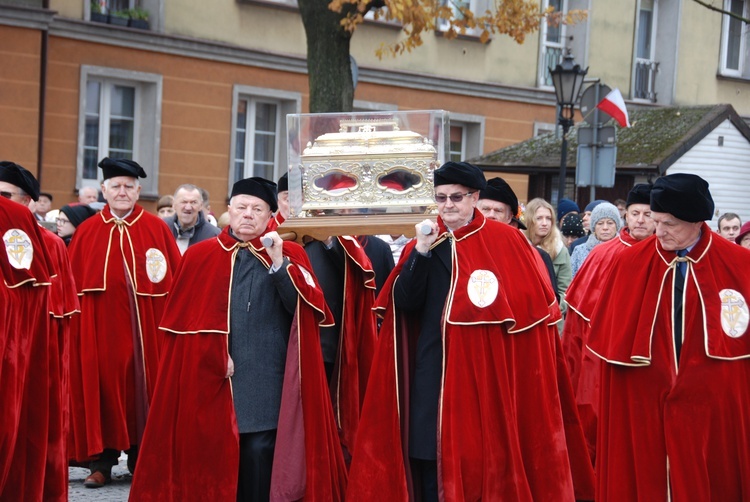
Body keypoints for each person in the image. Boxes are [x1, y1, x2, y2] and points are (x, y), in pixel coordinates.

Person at [347, 161, 594, 501]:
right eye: (441, 197)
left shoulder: (507, 241)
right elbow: (402, 301)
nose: (448, 205)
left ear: (474, 198)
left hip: (486, 380)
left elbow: (529, 315)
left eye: (456, 198)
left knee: (483, 466)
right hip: (433, 375)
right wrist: (420, 251)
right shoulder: (425, 242)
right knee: (430, 467)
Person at [128, 177, 347, 501]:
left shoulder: (290, 253)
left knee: (259, 453)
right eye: (241, 207)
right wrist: (212, 351)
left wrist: (278, 264)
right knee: (214, 456)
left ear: (270, 214)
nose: (248, 214)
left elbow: (306, 310)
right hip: (213, 378)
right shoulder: (200, 256)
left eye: (257, 209)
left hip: (267, 376)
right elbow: (182, 327)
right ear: (228, 209)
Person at [587, 173, 750, 500]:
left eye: (670, 224)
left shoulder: (740, 265)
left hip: (713, 408)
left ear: (698, 222)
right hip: (644, 405)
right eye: (656, 220)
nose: (658, 231)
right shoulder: (629, 262)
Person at [67, 157, 181, 488]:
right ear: (104, 190)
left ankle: (141, 459)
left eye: (128, 187)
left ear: (139, 191)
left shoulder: (157, 227)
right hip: (100, 333)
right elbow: (72, 287)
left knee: (144, 389)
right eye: (115, 186)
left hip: (147, 330)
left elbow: (175, 278)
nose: (122, 192)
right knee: (102, 390)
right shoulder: (87, 231)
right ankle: (101, 462)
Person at [0, 161, 79, 501]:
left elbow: (60, 312)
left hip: (35, 353)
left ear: (27, 201)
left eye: (5, 195)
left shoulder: (50, 243)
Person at [561, 183, 655, 463]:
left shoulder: (668, 256)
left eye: (648, 214)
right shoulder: (603, 254)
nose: (640, 220)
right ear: (626, 216)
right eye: (635, 213)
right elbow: (579, 323)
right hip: (603, 360)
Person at [478, 177, 558, 300]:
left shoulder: (535, 256)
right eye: (486, 209)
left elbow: (549, 302)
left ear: (509, 217)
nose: (491, 215)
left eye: (498, 210)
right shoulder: (458, 248)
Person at [525, 197, 572, 312]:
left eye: (549, 218)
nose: (545, 223)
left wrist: (553, 310)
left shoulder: (559, 249)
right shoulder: (519, 245)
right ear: (529, 220)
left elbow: (566, 291)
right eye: (539, 218)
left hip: (551, 318)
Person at [163, 183, 221, 254]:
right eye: (184, 202)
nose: (188, 207)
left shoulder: (214, 236)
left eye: (193, 202)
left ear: (201, 206)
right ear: (174, 205)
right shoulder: (162, 228)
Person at [570, 202, 622, 276]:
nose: (605, 228)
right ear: (594, 227)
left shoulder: (625, 250)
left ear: (617, 226)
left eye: (610, 223)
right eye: (600, 223)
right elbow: (571, 281)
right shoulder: (579, 251)